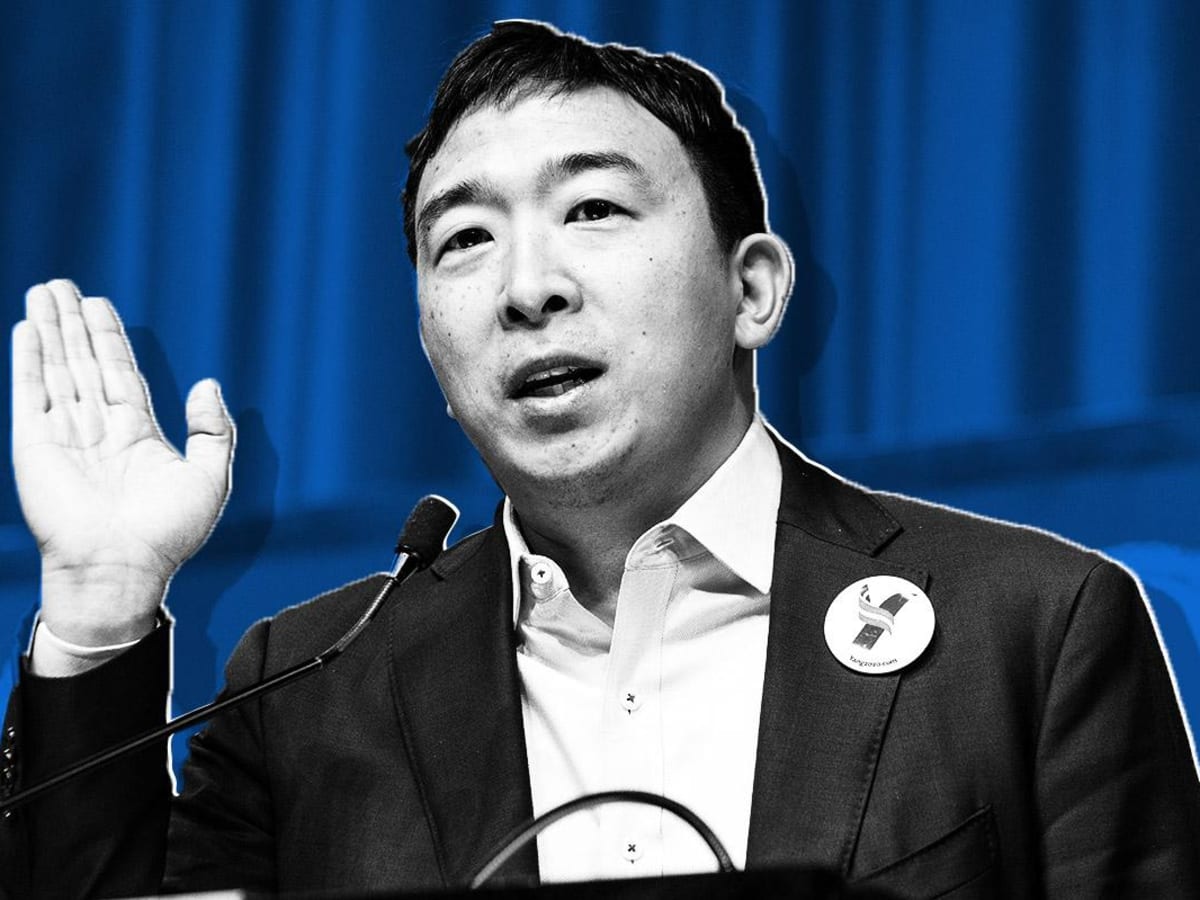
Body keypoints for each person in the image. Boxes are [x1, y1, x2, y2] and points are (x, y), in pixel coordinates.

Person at [3, 19, 1199, 899]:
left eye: (593, 211)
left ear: (753, 289)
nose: (528, 289)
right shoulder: (313, 689)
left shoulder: (1033, 631)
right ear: (428, 342)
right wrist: (101, 607)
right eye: (464, 240)